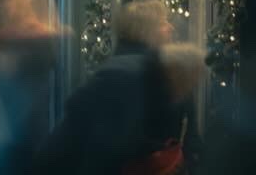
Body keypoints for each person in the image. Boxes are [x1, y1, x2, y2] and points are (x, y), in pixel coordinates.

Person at [36, 40, 205, 174]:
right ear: (179, 75)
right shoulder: (136, 80)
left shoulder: (144, 74)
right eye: (190, 83)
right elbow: (108, 145)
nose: (187, 91)